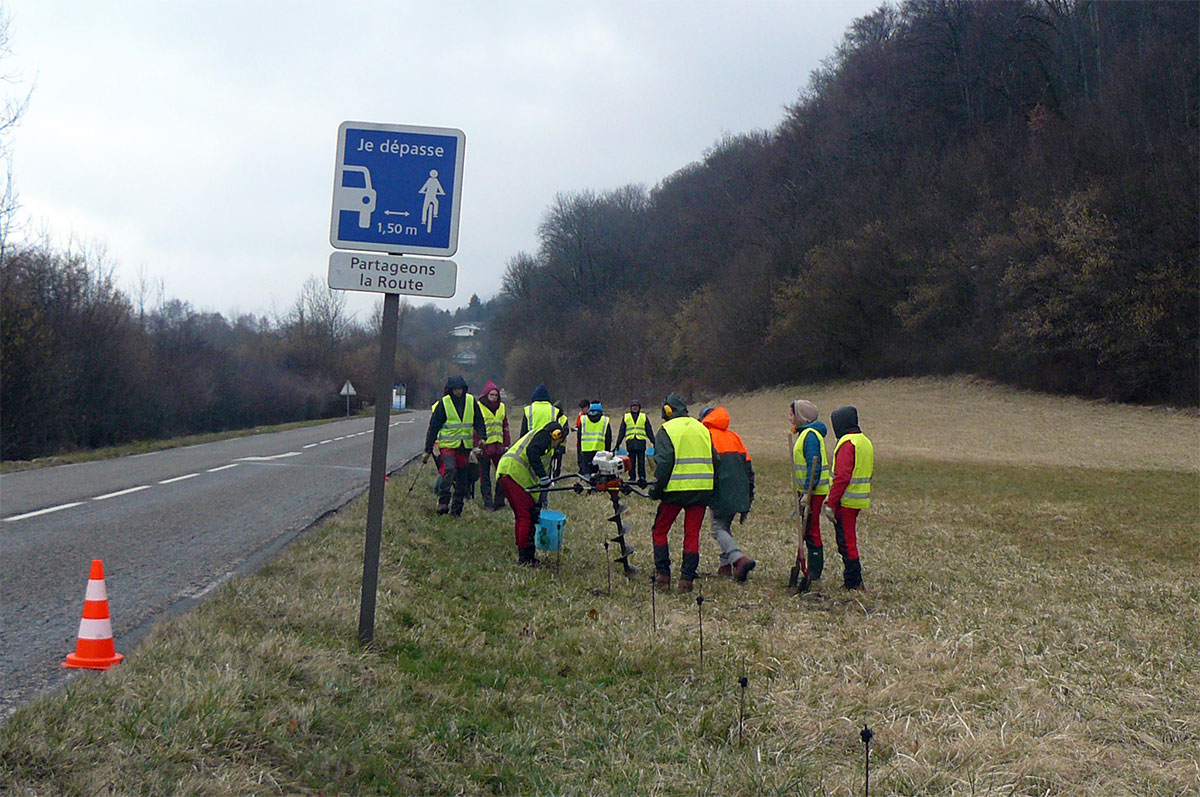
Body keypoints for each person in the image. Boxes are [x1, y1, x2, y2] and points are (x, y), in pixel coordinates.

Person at [648, 393, 717, 592]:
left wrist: (656, 490)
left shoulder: (666, 430)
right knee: (692, 534)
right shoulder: (702, 428)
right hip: (702, 491)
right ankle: (686, 579)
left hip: (675, 492)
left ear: (667, 411)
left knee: (660, 530)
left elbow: (664, 464)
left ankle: (663, 576)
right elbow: (716, 459)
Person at [496, 419, 566, 567]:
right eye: (560, 441)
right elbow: (532, 452)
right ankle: (525, 558)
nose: (559, 445)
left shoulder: (542, 440)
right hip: (514, 474)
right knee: (525, 516)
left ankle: (526, 554)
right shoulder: (543, 436)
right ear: (556, 435)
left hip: (508, 473)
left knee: (523, 516)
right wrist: (543, 476)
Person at [699, 407, 756, 581]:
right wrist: (749, 493)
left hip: (721, 489)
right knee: (725, 525)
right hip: (740, 489)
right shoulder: (734, 436)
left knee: (718, 528)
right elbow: (748, 467)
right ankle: (725, 566)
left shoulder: (706, 436)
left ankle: (738, 559)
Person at [825, 405, 874, 590]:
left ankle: (853, 581)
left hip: (846, 501)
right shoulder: (865, 441)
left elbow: (842, 476)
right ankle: (853, 579)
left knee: (846, 541)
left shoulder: (847, 443)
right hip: (858, 498)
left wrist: (831, 503)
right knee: (848, 538)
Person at [424, 376, 487, 516]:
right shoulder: (444, 403)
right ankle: (443, 502)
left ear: (464, 389)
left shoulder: (471, 401)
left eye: (460, 389)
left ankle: (456, 510)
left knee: (462, 479)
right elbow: (433, 427)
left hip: (464, 447)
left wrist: (482, 436)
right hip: (448, 445)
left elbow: (478, 420)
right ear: (450, 390)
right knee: (449, 469)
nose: (458, 391)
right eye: (455, 389)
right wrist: (428, 449)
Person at [791, 399, 829, 583]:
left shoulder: (810, 436)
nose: (790, 418)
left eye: (792, 414)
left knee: (811, 528)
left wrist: (808, 491)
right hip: (806, 490)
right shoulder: (804, 434)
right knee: (805, 530)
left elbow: (815, 463)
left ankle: (814, 572)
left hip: (813, 491)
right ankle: (807, 567)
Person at [476, 380, 510, 511]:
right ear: (486, 395)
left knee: (502, 474)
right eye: (492, 395)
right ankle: (488, 503)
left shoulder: (501, 407)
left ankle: (499, 501)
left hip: (499, 447)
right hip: (484, 447)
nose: (494, 397)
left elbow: (505, 426)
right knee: (484, 476)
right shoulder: (479, 407)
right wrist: (476, 445)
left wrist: (507, 443)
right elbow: (475, 427)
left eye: (496, 395)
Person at [614, 400, 654, 486]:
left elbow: (649, 430)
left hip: (640, 442)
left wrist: (654, 441)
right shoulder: (626, 417)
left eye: (636, 406)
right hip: (631, 443)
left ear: (639, 407)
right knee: (631, 462)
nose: (635, 407)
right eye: (633, 406)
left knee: (641, 462)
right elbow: (622, 431)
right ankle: (632, 478)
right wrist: (618, 443)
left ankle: (642, 477)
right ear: (631, 407)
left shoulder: (644, 417)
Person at [577, 402, 612, 476]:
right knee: (600, 470)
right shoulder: (605, 420)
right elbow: (608, 437)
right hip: (601, 450)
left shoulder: (583, 419)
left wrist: (580, 447)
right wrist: (607, 450)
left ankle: (588, 484)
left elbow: (579, 435)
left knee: (587, 470)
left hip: (586, 449)